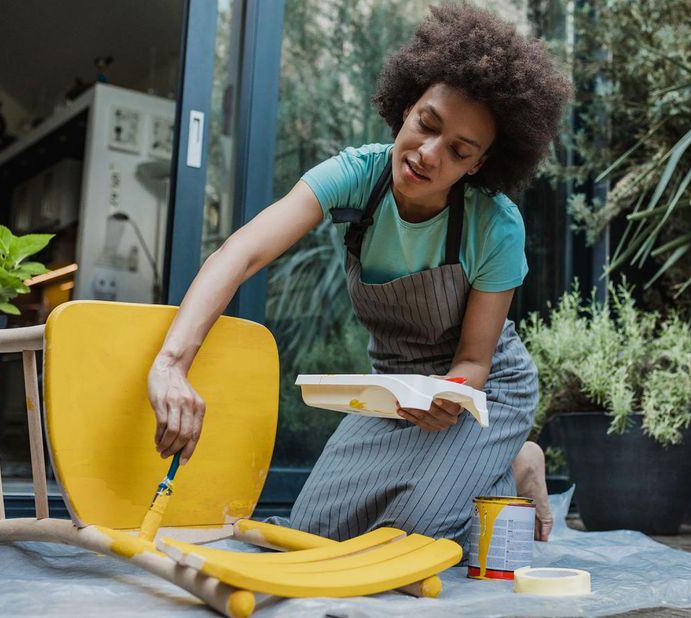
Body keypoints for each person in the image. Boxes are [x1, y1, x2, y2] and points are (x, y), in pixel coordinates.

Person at [147, 4, 569, 545]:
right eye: (426, 124)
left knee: (415, 535)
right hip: (391, 386)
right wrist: (172, 363)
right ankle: (475, 472)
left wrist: (447, 394)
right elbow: (242, 252)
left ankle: (514, 462)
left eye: (458, 150)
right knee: (314, 533)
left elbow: (473, 360)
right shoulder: (356, 176)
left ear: (477, 165)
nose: (428, 154)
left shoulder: (494, 226)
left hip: (477, 395)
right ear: (407, 106)